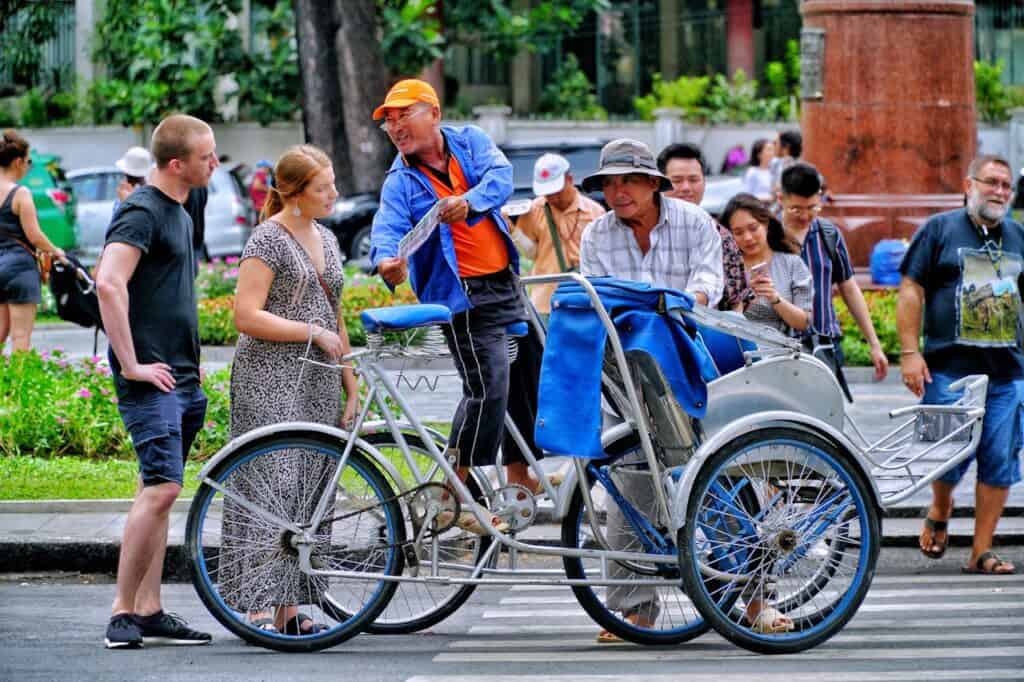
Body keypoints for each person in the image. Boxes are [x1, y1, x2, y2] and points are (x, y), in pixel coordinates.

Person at [369, 78, 549, 534]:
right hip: (463, 297)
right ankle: (452, 491)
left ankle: (519, 479)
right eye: (389, 121)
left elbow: (500, 178)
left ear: (433, 113)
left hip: (504, 281)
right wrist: (386, 262)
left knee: (529, 372)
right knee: (487, 386)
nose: (395, 127)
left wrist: (467, 203)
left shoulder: (470, 141)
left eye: (403, 115)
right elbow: (387, 228)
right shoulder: (400, 180)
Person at [219, 144, 359, 634]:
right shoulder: (268, 238)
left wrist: (350, 383)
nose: (333, 194)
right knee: (271, 483)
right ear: (294, 193)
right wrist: (309, 331)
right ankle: (258, 604)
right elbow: (245, 315)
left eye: (333, 184)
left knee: (310, 487)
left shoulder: (327, 237)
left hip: (319, 377)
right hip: (270, 375)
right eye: (323, 187)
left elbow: (336, 315)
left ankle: (291, 605)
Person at [96, 114, 218, 649]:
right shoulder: (141, 210)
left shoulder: (183, 207)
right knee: (163, 488)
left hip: (180, 375)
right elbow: (108, 283)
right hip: (151, 378)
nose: (215, 163)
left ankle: (148, 608)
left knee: (159, 490)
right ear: (176, 164)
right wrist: (130, 364)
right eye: (206, 157)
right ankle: (122, 612)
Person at [899, 154, 1021, 576]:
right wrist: (909, 353)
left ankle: (981, 552)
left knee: (1000, 459)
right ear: (968, 185)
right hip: (948, 370)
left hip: (1008, 373)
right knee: (943, 454)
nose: (999, 191)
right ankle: (940, 508)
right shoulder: (939, 229)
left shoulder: (1018, 236)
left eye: (1006, 185)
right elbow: (911, 289)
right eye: (991, 182)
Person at [778, 162, 889, 394]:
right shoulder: (767, 235)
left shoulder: (828, 234)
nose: (805, 216)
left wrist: (874, 344)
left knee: (825, 411)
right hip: (778, 347)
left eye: (812, 207)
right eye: (796, 209)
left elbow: (849, 287)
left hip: (825, 345)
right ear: (781, 199)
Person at [656, 142, 753, 312]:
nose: (686, 188)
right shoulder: (644, 229)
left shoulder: (721, 236)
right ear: (658, 184)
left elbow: (735, 301)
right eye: (677, 180)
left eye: (694, 180)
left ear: (704, 182)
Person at [509, 152, 605, 317]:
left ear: (570, 179)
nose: (552, 197)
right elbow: (531, 253)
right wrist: (513, 231)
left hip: (587, 298)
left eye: (557, 191)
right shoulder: (534, 210)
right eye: (547, 193)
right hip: (546, 301)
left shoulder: (594, 212)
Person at [0, 129, 66, 352]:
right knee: (20, 337)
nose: (28, 167)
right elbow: (34, 236)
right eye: (28, 161)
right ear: (18, 162)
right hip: (19, 269)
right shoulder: (20, 194)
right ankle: (20, 376)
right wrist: (56, 251)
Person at [721, 193, 811, 335]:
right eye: (738, 232)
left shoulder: (792, 264)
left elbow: (804, 322)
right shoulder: (725, 268)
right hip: (737, 345)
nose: (747, 238)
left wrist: (774, 297)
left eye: (753, 228)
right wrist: (744, 299)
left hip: (780, 347)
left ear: (766, 224)